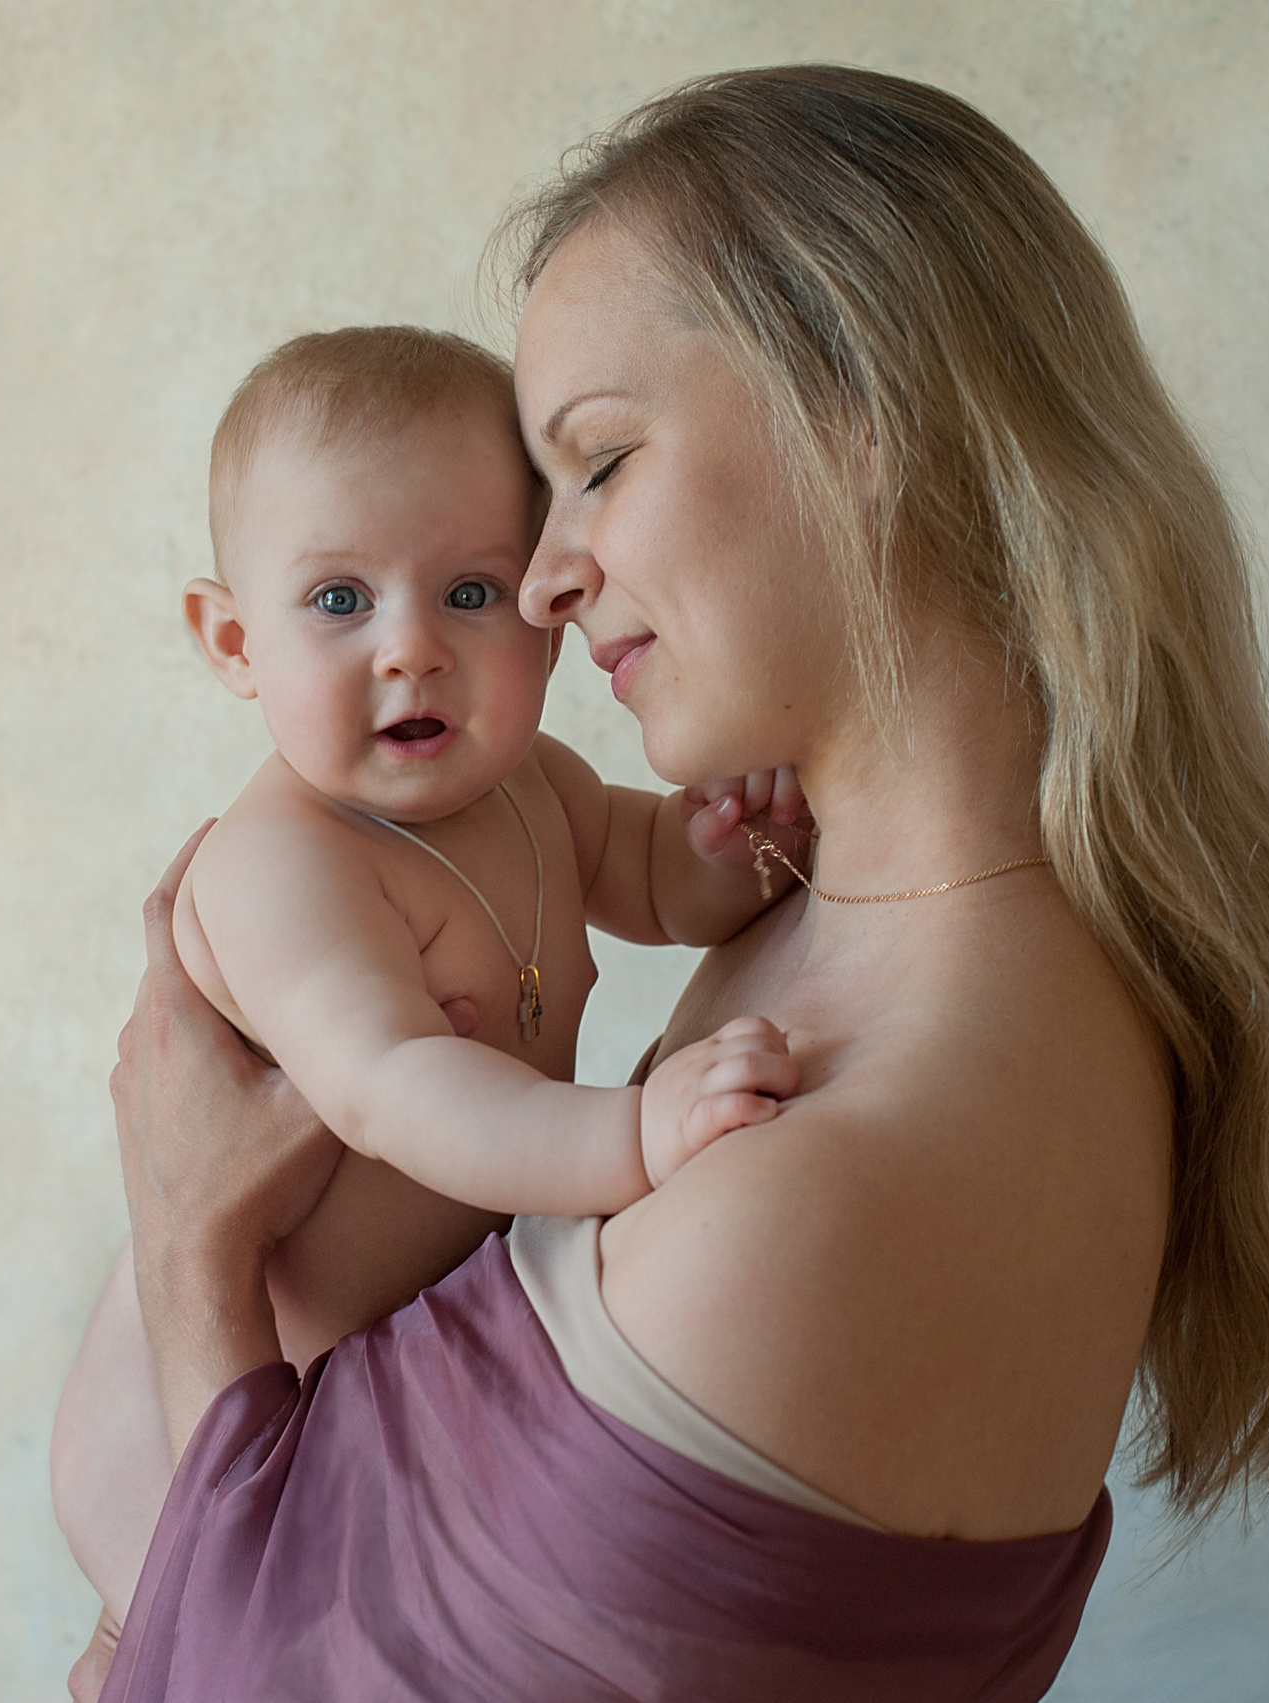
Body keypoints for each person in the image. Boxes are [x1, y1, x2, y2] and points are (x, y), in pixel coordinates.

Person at [86, 64, 1269, 1702]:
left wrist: (189, 1257)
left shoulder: (828, 1184)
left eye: (604, 462)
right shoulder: (852, 933)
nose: (550, 588)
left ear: (871, 411)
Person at [49, 326, 813, 1650]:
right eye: (340, 601)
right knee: (202, 1654)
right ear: (231, 639)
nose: (412, 650)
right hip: (184, 1428)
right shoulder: (286, 866)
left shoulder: (535, 794)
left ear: (546, 605)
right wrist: (634, 1134)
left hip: (377, 1374)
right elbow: (396, 1088)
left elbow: (654, 885)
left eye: (469, 593)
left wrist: (734, 848)